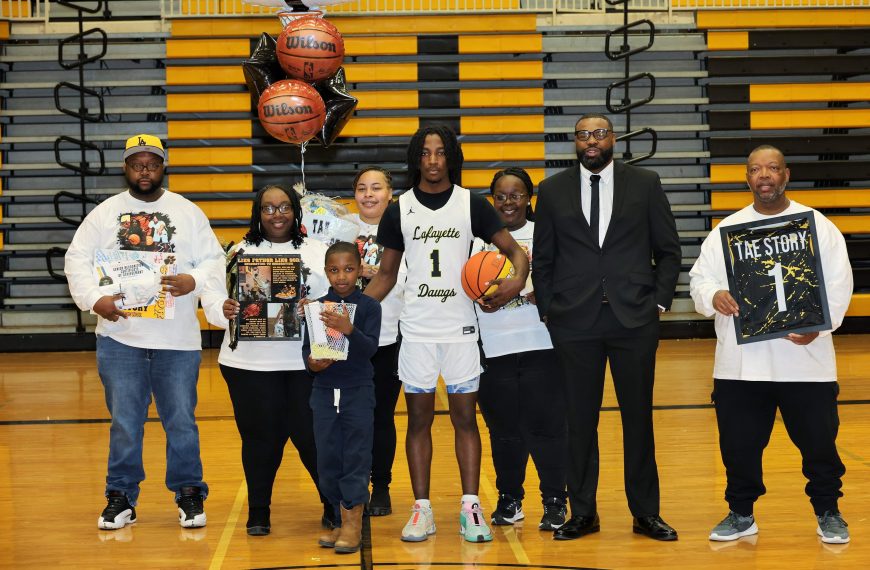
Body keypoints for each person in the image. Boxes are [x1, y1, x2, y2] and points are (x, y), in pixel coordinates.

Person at [364, 124, 530, 543]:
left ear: (450, 158)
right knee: (417, 420)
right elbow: (385, 275)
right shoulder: (399, 209)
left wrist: (515, 281)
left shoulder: (470, 204)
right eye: (425, 153)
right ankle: (422, 510)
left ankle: (470, 507)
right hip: (417, 330)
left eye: (440, 153)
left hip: (460, 330)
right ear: (416, 159)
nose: (433, 161)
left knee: (464, 420)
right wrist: (349, 311)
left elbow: (513, 253)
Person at [689, 145, 854, 544]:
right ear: (747, 178)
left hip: (806, 361)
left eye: (772, 168)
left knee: (819, 444)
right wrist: (713, 296)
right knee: (739, 447)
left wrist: (821, 324)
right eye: (755, 169)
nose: (764, 175)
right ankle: (741, 513)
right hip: (741, 365)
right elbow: (699, 279)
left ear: (786, 175)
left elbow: (839, 282)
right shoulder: (725, 232)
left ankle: (828, 511)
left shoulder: (817, 225)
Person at [532, 114, 682, 541]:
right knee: (579, 422)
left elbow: (669, 251)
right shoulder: (552, 189)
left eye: (599, 134)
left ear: (612, 139)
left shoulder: (645, 183)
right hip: (574, 322)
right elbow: (543, 259)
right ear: (574, 142)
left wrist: (658, 300)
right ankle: (583, 512)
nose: (592, 142)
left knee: (639, 419)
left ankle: (646, 512)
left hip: (633, 319)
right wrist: (549, 310)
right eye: (583, 136)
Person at [64, 134, 225, 530]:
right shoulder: (104, 213)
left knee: (181, 422)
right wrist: (92, 300)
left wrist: (194, 280)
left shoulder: (186, 212)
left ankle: (189, 493)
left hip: (177, 341)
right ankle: (120, 497)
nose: (145, 171)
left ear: (163, 166)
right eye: (137, 164)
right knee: (124, 422)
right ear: (126, 167)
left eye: (151, 163)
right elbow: (76, 259)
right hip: (121, 339)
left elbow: (215, 259)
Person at [200, 184, 335, 536]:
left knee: (312, 438)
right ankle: (259, 511)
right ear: (257, 213)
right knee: (260, 441)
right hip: (249, 365)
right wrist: (222, 309)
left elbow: (338, 294)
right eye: (269, 208)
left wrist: (314, 306)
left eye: (284, 207)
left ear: (296, 211)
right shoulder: (237, 253)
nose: (277, 215)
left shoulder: (318, 251)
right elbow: (211, 293)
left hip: (304, 363)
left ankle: (332, 504)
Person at [472, 168, 569, 531]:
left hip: (542, 344)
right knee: (504, 430)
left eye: (516, 195)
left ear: (529, 198)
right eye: (500, 195)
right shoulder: (478, 239)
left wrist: (541, 293)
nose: (507, 202)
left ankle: (555, 500)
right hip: (493, 347)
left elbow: (569, 280)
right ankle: (510, 499)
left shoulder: (545, 232)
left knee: (548, 428)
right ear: (491, 199)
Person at [302, 242, 382, 554]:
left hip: (358, 392)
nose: (342, 276)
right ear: (326, 272)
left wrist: (349, 329)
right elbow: (308, 351)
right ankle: (336, 518)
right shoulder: (318, 307)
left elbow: (369, 350)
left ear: (360, 270)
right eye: (334, 270)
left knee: (356, 458)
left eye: (349, 269)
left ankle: (352, 521)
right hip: (323, 394)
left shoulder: (369, 307)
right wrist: (312, 363)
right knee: (328, 458)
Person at [351, 166, 404, 516]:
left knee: (381, 416)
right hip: (346, 337)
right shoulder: (340, 229)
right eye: (361, 188)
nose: (368, 194)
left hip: (390, 336)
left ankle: (381, 484)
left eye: (376, 188)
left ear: (390, 194)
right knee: (348, 417)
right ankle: (351, 484)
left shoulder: (404, 229)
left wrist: (377, 273)